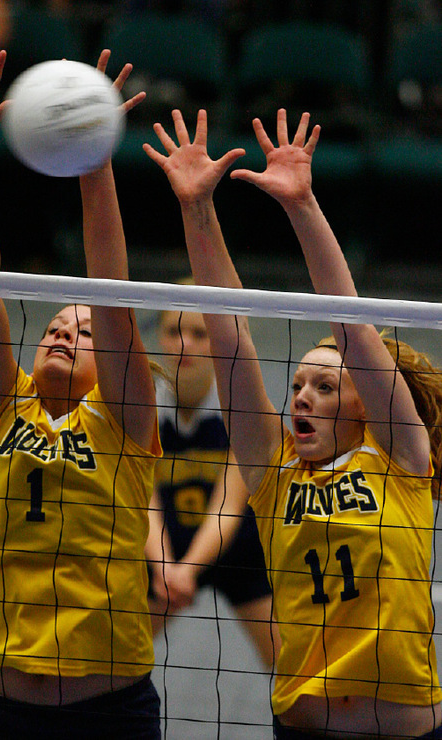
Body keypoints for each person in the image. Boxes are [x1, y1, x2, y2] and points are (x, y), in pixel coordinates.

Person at [143, 107, 442, 738]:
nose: (301, 397)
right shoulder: (273, 473)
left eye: (326, 386)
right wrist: (197, 208)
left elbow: (349, 322)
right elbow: (229, 335)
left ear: (367, 403)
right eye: (297, 385)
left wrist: (303, 206)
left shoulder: (402, 463)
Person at [0, 38, 162, 739]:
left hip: (110, 714)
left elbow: (112, 295)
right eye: (56, 330)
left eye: (85, 333)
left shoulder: (123, 425)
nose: (67, 335)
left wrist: (93, 163)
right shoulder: (0, 407)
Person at [146, 301, 280, 669]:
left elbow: (229, 505)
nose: (184, 343)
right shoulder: (141, 402)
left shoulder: (240, 406)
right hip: (162, 545)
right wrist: (164, 568)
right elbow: (144, 501)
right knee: (113, 659)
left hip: (236, 545)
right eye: (174, 332)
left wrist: (186, 572)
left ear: (221, 342)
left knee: (292, 669)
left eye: (199, 333)